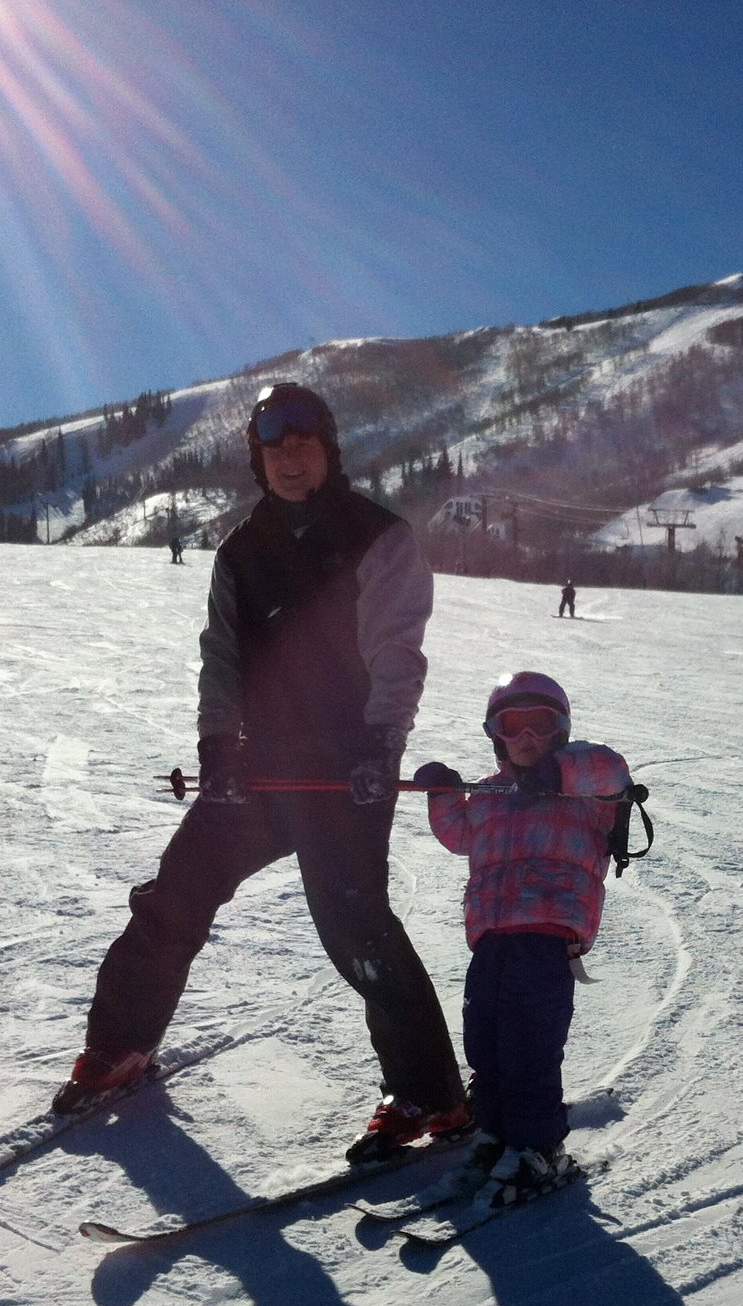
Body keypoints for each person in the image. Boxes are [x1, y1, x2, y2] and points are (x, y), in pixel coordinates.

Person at [53, 381, 469, 1162]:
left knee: (353, 925)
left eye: (302, 446)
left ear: (328, 451)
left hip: (347, 768)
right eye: (273, 450)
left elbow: (396, 650)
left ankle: (430, 1094)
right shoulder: (241, 550)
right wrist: (218, 747)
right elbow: (223, 658)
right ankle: (120, 1046)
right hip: (264, 766)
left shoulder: (379, 536)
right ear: (257, 459)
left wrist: (382, 746)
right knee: (175, 890)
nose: (287, 461)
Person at [410, 672, 631, 1195]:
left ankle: (539, 1147)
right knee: (484, 1041)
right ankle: (496, 1132)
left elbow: (613, 769)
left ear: (561, 730)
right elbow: (459, 836)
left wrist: (556, 772)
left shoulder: (585, 789)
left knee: (528, 1044)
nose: (527, 736)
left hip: (548, 935)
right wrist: (442, 792)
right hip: (491, 935)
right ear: (496, 735)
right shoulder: (488, 793)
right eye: (513, 726)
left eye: (541, 724)